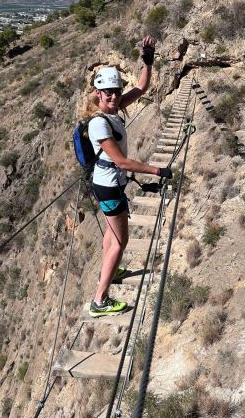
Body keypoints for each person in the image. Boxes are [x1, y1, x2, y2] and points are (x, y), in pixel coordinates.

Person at [85, 36, 172, 317]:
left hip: (107, 184)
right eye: (107, 92)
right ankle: (100, 300)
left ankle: (112, 269)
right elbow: (120, 161)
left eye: (116, 91)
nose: (113, 96)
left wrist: (147, 61)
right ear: (98, 94)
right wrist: (157, 170)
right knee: (120, 242)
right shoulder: (99, 124)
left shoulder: (117, 107)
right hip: (109, 186)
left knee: (111, 236)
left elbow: (143, 86)